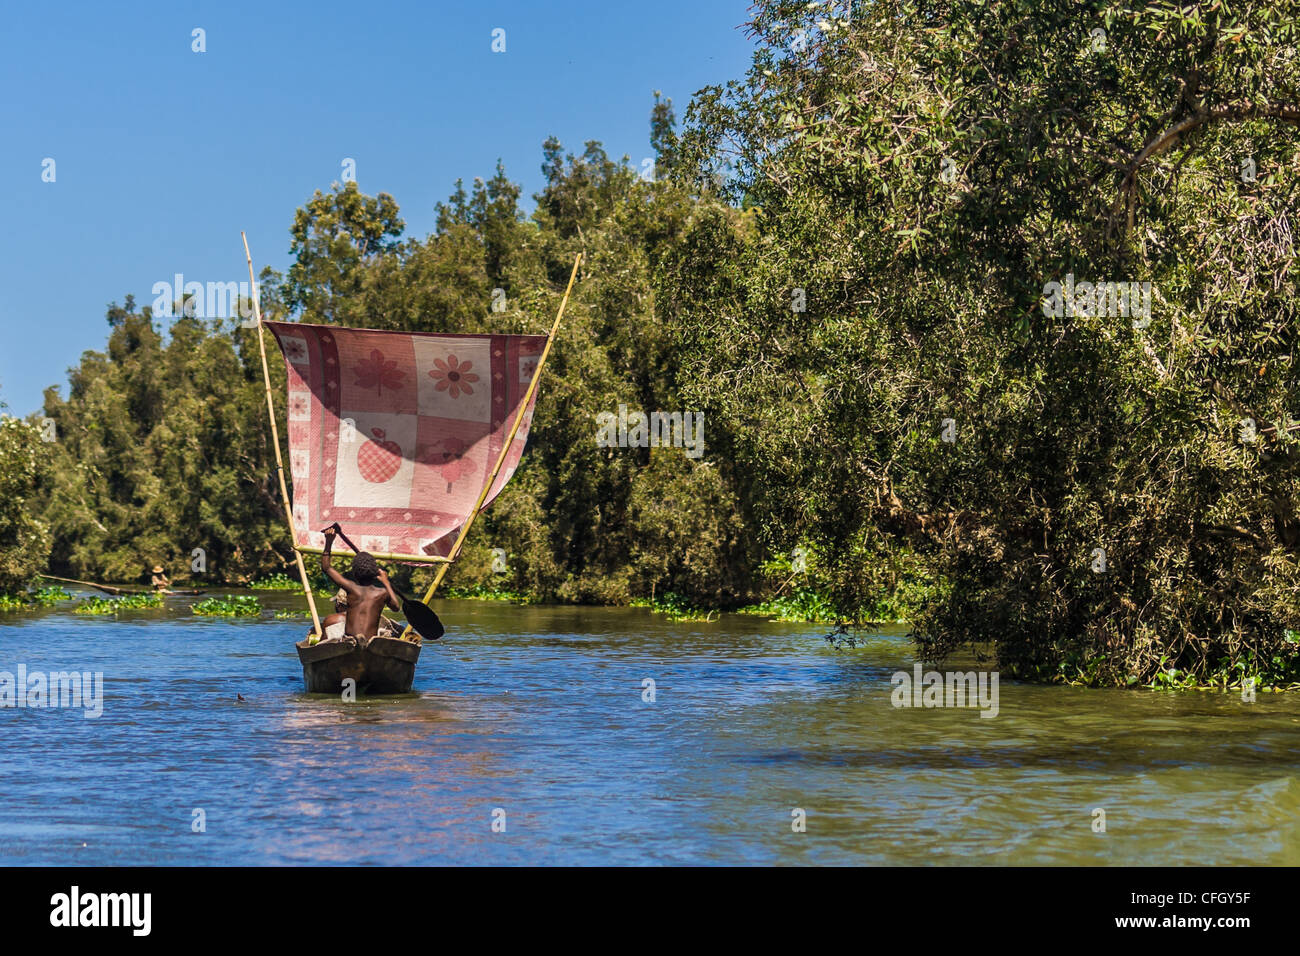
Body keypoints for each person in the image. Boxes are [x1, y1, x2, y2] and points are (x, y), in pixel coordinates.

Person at [320, 526, 401, 640]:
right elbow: (396, 607)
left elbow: (326, 568)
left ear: (355, 573)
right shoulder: (383, 593)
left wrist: (329, 542)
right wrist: (386, 582)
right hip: (370, 641)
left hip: (350, 640)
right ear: (375, 573)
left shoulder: (352, 588)